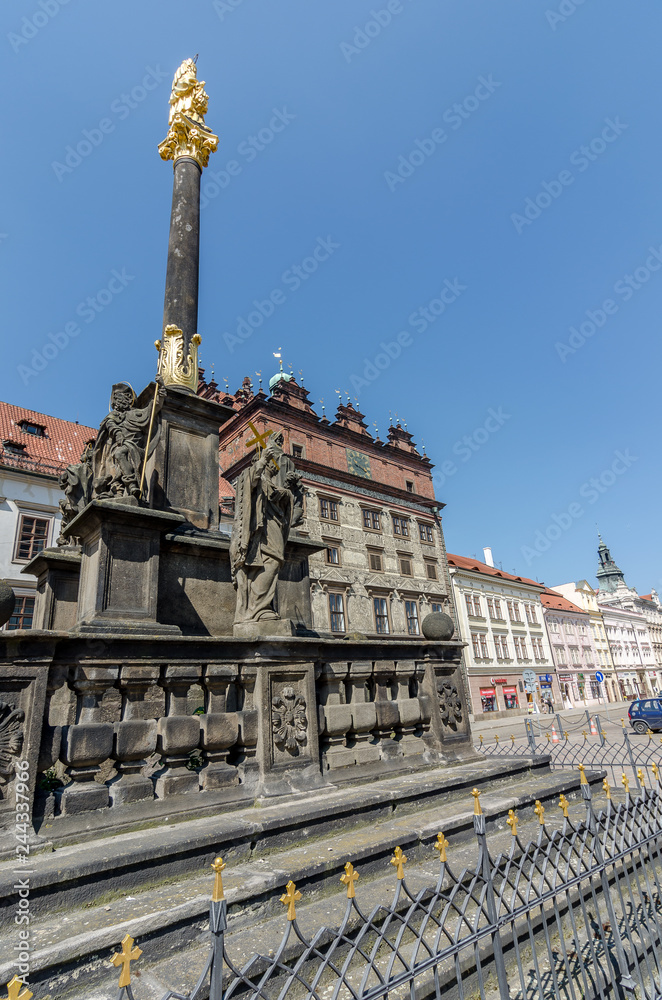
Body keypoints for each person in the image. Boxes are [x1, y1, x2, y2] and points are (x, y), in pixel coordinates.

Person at [230, 432, 303, 624]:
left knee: (273, 563)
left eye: (272, 462)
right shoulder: (254, 477)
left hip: (275, 529)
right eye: (271, 462)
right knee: (269, 564)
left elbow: (284, 502)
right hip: (260, 532)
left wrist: (289, 488)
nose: (274, 465)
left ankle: (261, 607)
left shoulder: (271, 483)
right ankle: (256, 609)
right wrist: (262, 460)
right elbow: (251, 480)